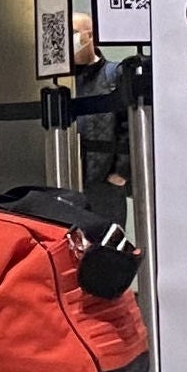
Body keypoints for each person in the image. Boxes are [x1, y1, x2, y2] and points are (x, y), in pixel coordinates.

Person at [64, 13, 132, 224]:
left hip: (105, 187)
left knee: (107, 251)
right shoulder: (61, 80)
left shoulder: (114, 75)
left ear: (90, 35)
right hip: (67, 182)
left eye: (74, 33)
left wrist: (121, 174)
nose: (68, 39)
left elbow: (131, 126)